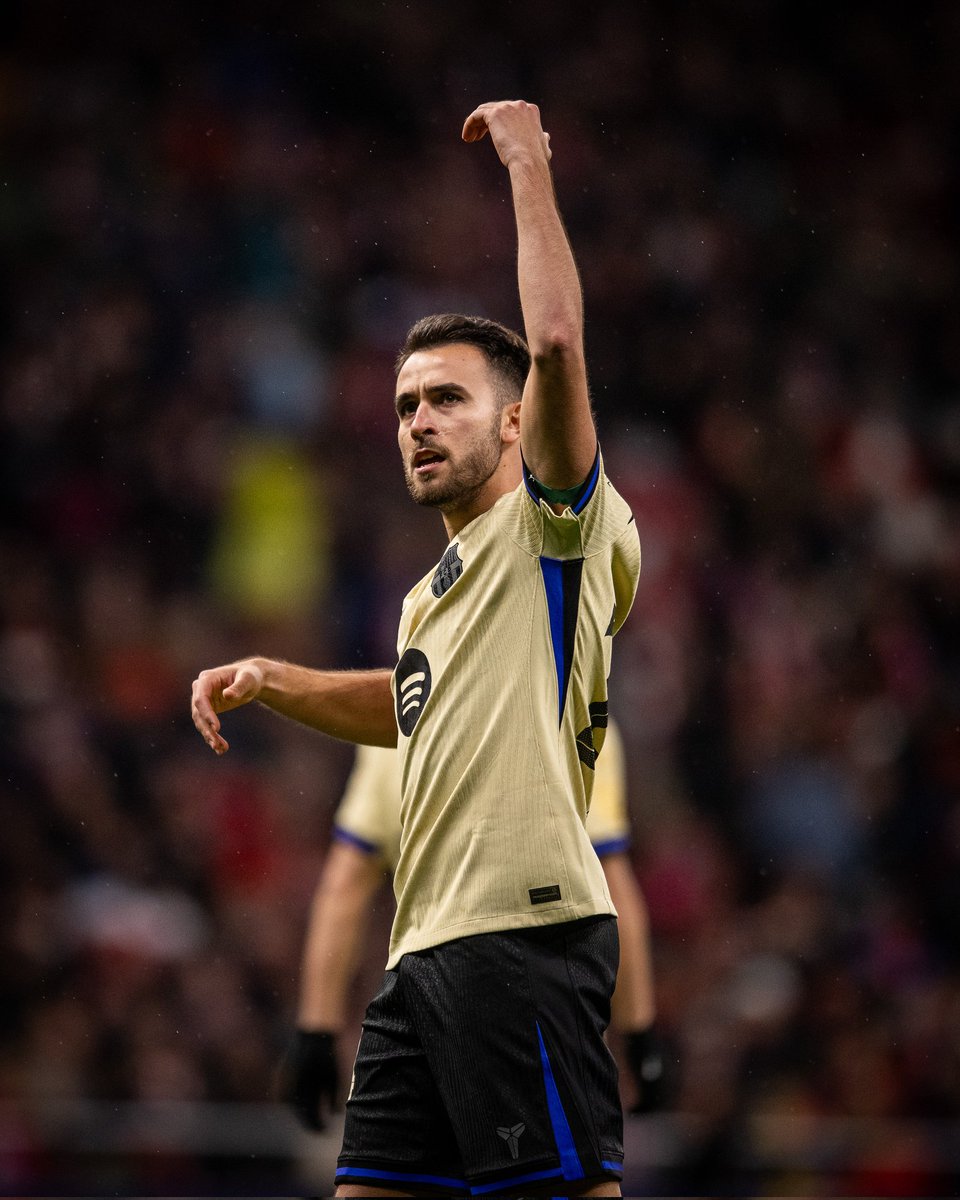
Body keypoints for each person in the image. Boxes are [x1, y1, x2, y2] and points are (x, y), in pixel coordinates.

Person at [192, 99, 641, 1197]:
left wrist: (529, 161)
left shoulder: (554, 527)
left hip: (523, 941)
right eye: (404, 406)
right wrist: (275, 680)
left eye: (447, 399)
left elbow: (559, 340)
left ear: (513, 420)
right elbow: (410, 708)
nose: (418, 421)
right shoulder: (431, 593)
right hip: (422, 956)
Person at [285, 721, 670, 1133]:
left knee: (385, 1184)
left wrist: (317, 1029)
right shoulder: (572, 713)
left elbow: (347, 886)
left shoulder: (402, 716)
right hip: (538, 1018)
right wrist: (638, 1033)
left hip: (421, 1011)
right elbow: (611, 884)